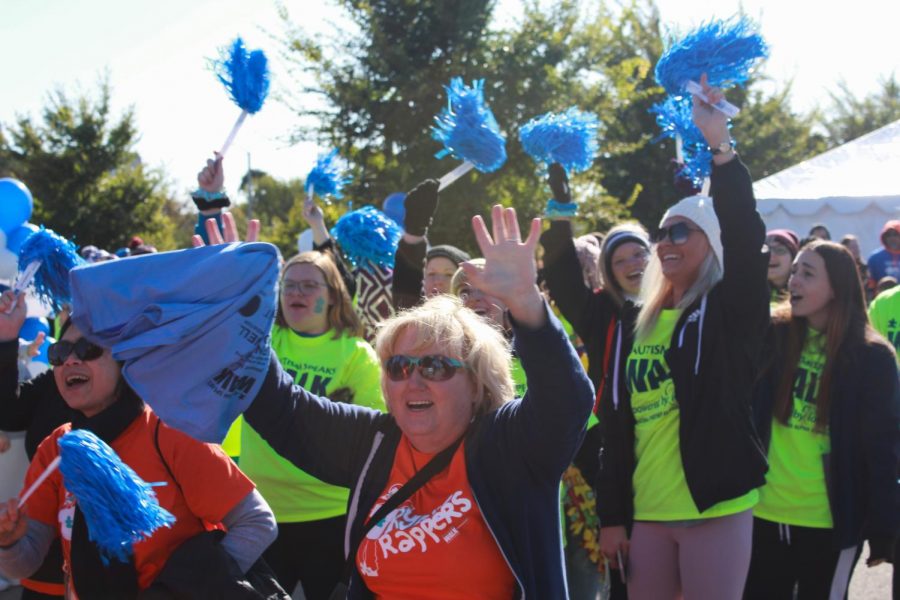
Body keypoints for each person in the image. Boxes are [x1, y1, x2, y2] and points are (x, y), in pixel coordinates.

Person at [242, 205, 594, 598]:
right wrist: (240, 309)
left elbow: (567, 401)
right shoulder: (374, 442)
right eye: (398, 366)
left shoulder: (509, 444)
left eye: (436, 366)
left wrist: (526, 302)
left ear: (477, 384)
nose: (413, 380)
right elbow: (282, 407)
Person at [596, 77, 769, 600]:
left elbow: (744, 233)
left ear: (710, 245)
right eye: (660, 233)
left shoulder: (728, 311)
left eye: (680, 232)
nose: (664, 243)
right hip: (646, 515)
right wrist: (612, 516)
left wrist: (719, 145)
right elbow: (616, 424)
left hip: (713, 509)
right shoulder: (633, 322)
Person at [0, 293, 278, 597]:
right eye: (59, 352)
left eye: (87, 348)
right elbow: (24, 564)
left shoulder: (169, 432)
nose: (70, 359)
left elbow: (256, 522)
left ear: (125, 361)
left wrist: (189, 589)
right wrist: (8, 541)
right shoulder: (57, 448)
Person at [744, 240, 900, 598]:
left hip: (831, 523)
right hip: (762, 514)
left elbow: (882, 446)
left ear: (837, 288)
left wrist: (883, 525)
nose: (794, 281)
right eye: (794, 271)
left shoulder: (872, 357)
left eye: (807, 273)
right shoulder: (773, 335)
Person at [240, 250, 384, 599]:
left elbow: (373, 437)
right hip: (262, 511)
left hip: (330, 515)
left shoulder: (356, 354)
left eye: (308, 286)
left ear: (332, 295)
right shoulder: (263, 340)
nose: (296, 294)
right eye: (288, 285)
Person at [540, 168, 651, 599]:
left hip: (674, 451)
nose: (632, 265)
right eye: (619, 260)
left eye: (638, 255)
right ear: (607, 270)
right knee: (626, 574)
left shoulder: (682, 307)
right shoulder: (601, 311)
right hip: (619, 450)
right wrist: (561, 214)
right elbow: (564, 277)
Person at [392, 179, 470, 310]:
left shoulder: (479, 324)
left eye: (449, 274)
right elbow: (406, 283)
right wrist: (415, 229)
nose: (438, 281)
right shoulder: (413, 324)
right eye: (431, 274)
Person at [766, 229, 800, 305]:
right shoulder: (749, 291)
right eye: (766, 250)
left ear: (793, 259)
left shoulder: (802, 293)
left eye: (780, 250)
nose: (771, 255)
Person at [866, 219, 900, 291]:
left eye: (895, 234)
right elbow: (870, 284)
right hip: (883, 299)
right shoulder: (875, 258)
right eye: (888, 235)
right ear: (884, 237)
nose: (892, 238)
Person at [840, 233, 871, 301]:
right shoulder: (840, 268)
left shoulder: (864, 267)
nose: (857, 249)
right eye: (853, 247)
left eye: (857, 246)